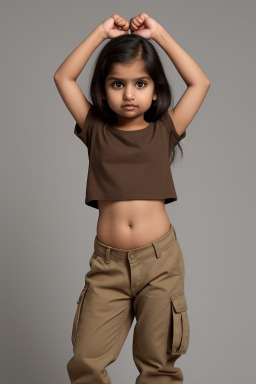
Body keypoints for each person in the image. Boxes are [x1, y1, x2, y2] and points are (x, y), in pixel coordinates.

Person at [54, 13, 210, 384]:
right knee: (86, 363)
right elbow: (63, 77)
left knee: (158, 368)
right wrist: (99, 34)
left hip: (160, 262)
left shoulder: (165, 130)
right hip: (107, 265)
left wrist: (159, 35)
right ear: (103, 89)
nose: (128, 93)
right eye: (117, 84)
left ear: (155, 90)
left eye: (140, 83)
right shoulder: (95, 129)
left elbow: (199, 82)